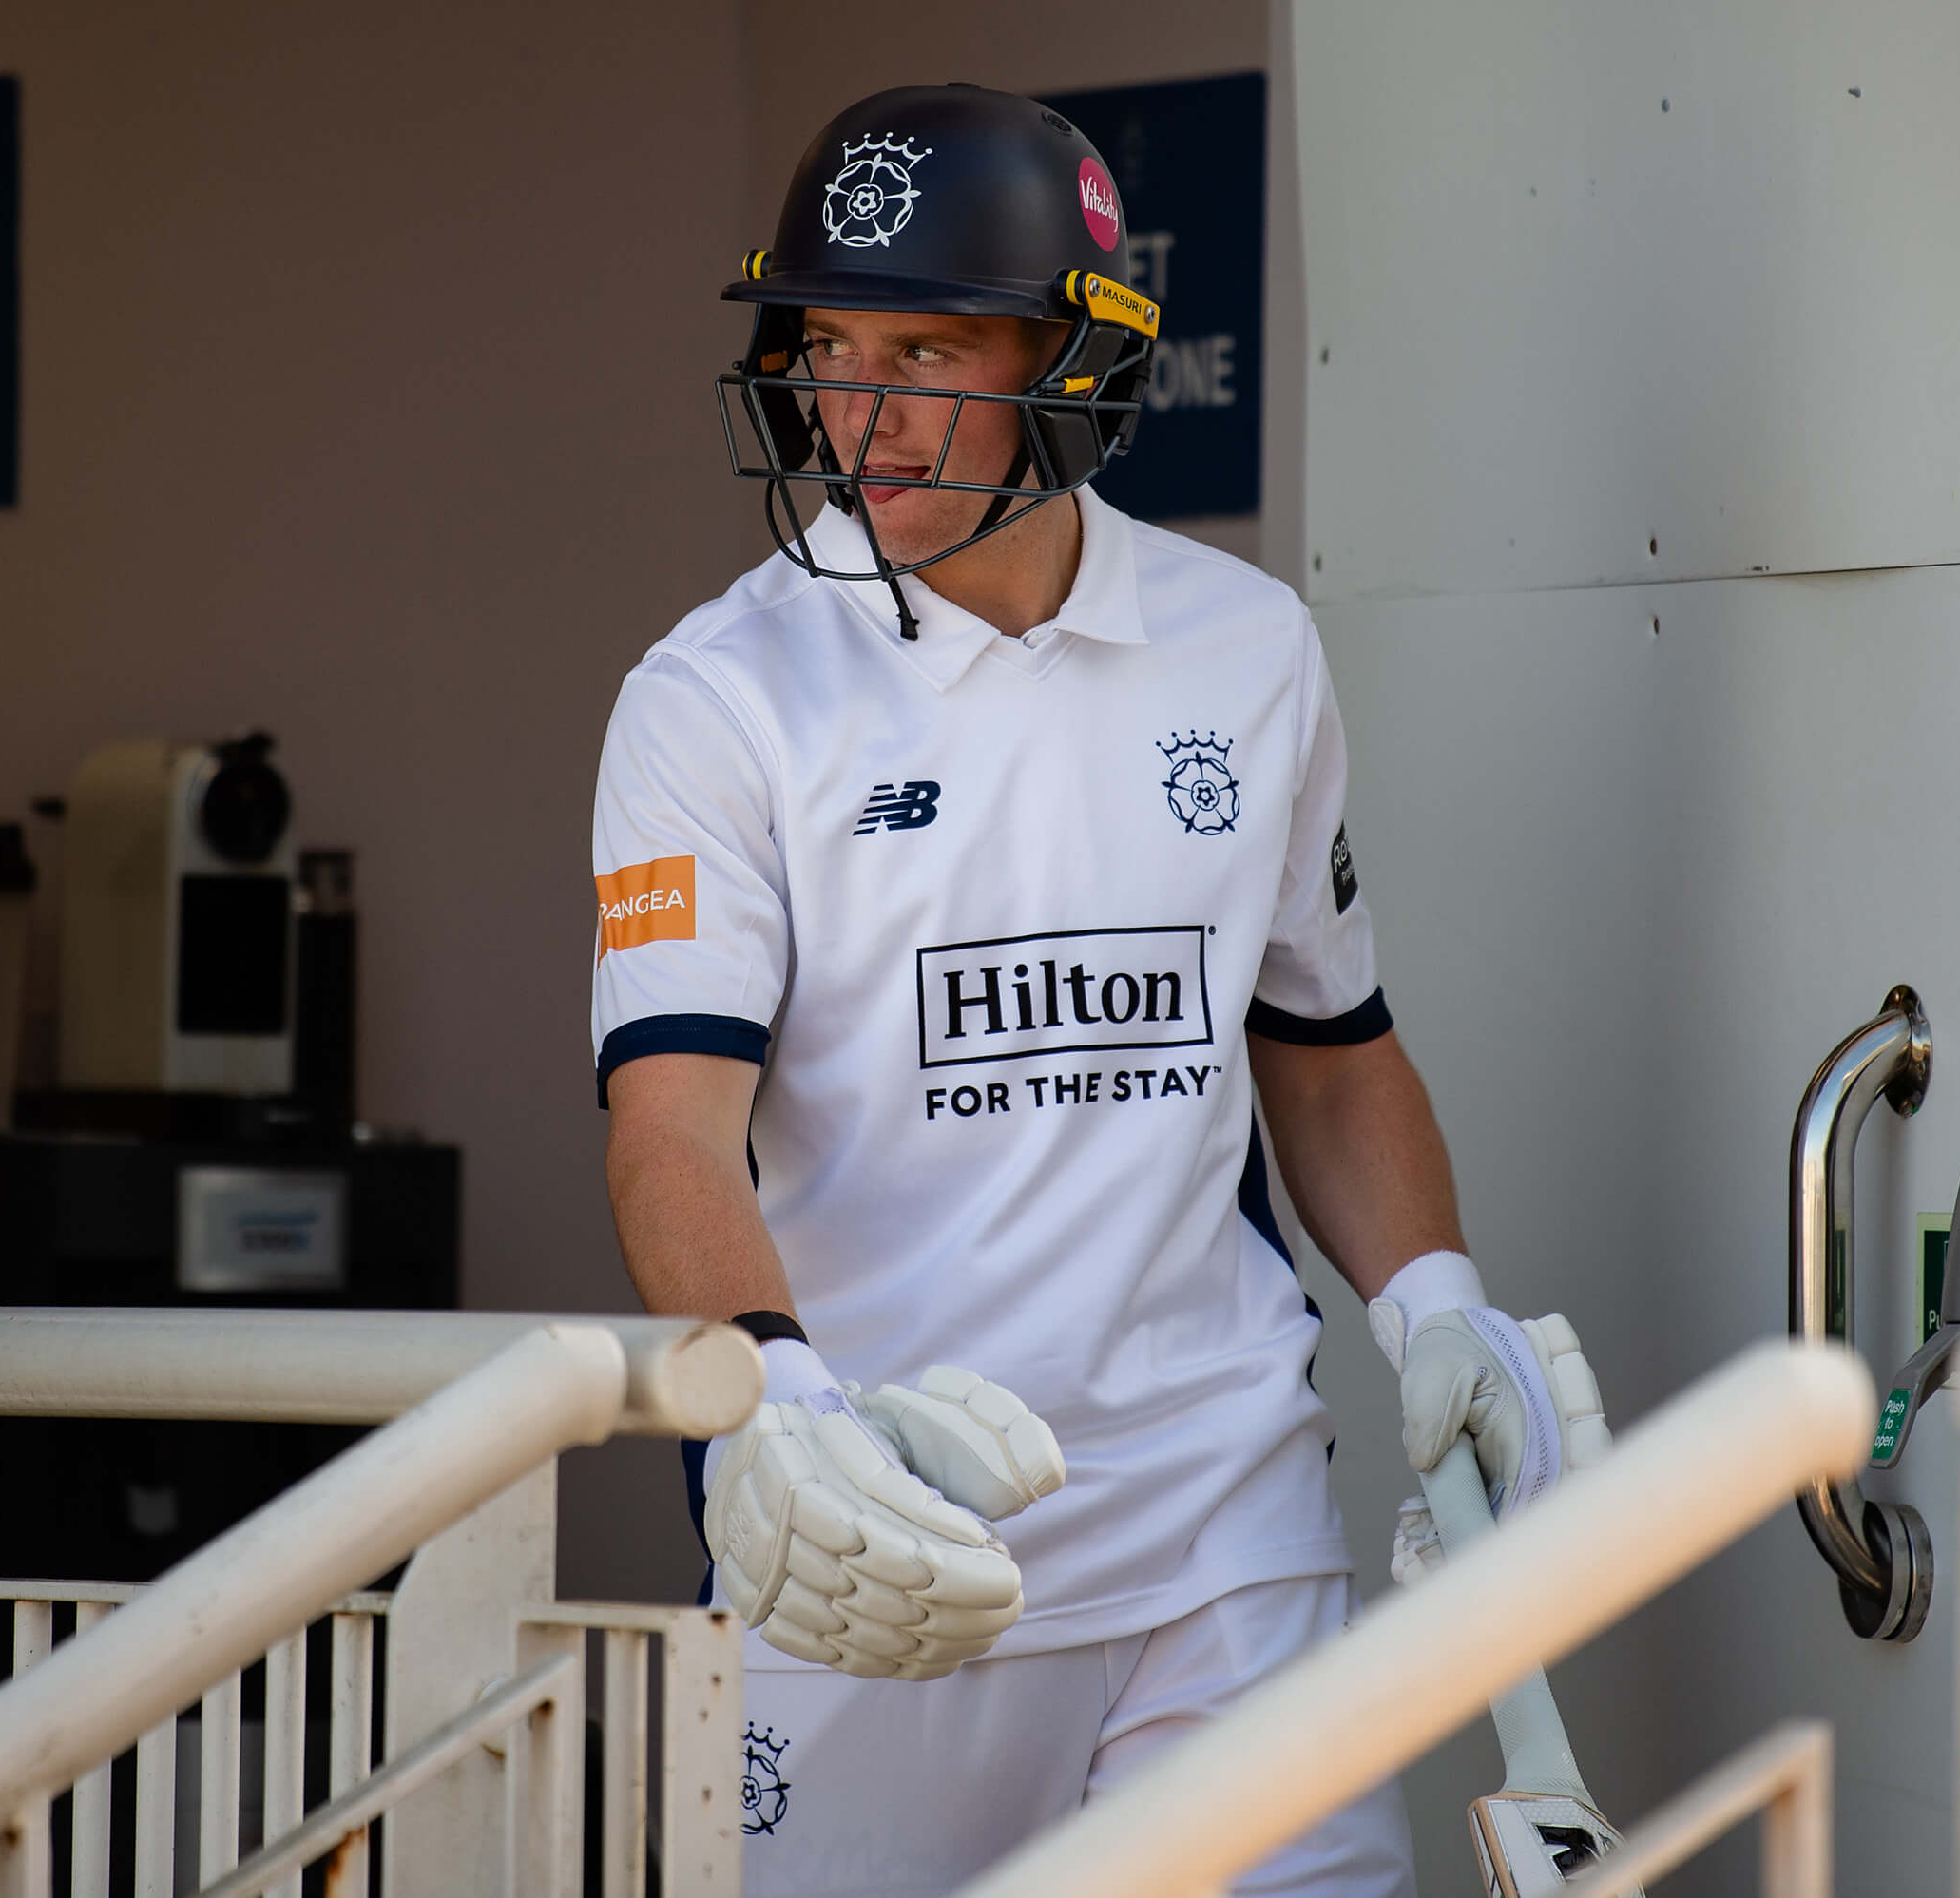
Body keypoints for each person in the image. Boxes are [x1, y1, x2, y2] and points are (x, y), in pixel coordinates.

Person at [587, 84, 1612, 1896]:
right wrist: (776, 1402)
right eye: (828, 346)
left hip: (1229, 1532)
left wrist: (1437, 1303)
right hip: (883, 1548)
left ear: (1073, 359)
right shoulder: (713, 697)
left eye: (925, 350)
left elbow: (1329, 1051)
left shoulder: (1249, 647)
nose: (859, 411)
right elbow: (672, 1127)